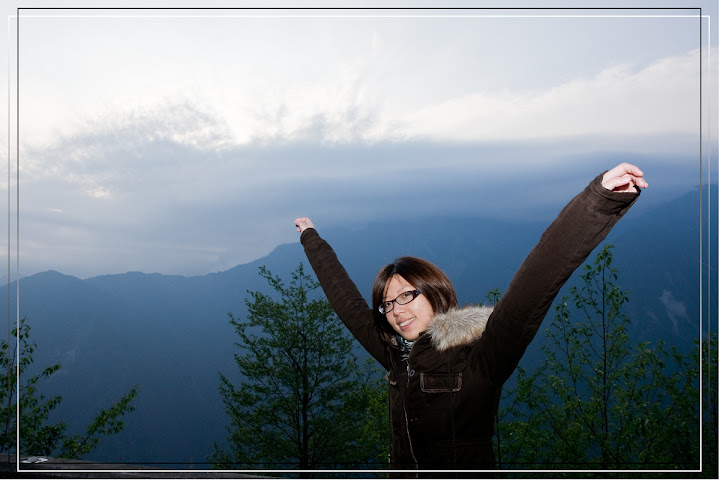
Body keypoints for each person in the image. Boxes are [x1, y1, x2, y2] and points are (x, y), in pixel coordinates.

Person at [293, 163, 647, 475]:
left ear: (434, 293)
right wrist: (311, 239)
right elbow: (347, 303)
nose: (396, 311)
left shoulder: (481, 356)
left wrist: (598, 201)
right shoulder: (396, 354)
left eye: (406, 296)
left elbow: (536, 283)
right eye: (387, 305)